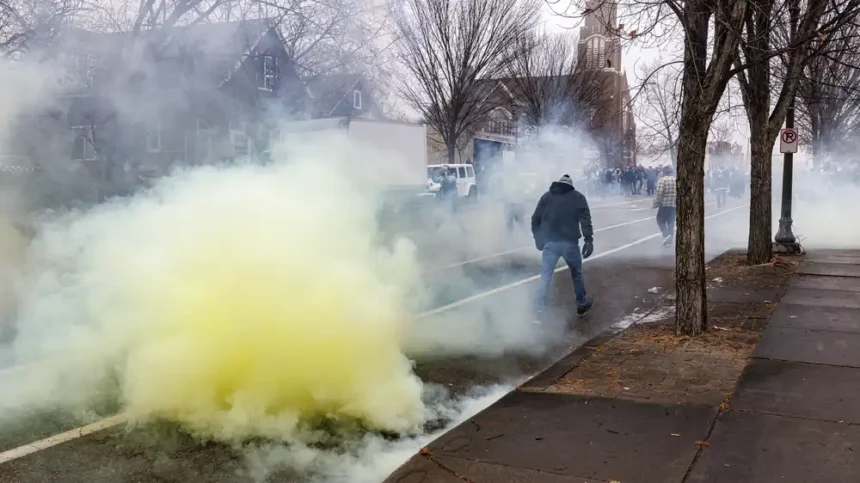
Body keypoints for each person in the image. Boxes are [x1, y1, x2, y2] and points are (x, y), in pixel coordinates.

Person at [531, 174, 595, 318]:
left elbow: (535, 218)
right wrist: (588, 240)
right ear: (571, 185)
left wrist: (538, 238)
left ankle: (540, 306)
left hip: (550, 243)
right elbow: (586, 219)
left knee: (546, 276)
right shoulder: (578, 197)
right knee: (576, 274)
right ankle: (581, 304)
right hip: (570, 243)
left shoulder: (546, 197)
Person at [653, 166, 677, 246]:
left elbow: (659, 193)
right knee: (671, 222)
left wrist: (656, 203)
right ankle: (669, 242)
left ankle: (666, 235)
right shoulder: (676, 180)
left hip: (664, 204)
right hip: (674, 204)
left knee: (660, 220)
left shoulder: (662, 180)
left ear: (664, 172)